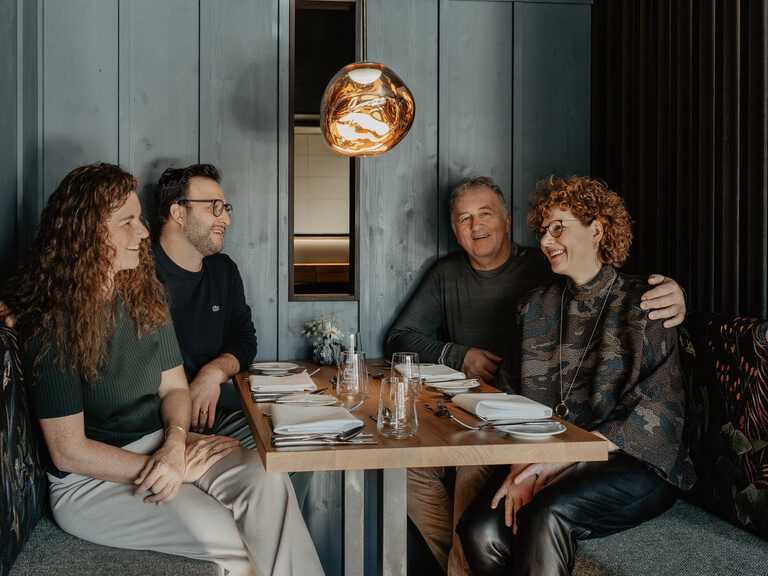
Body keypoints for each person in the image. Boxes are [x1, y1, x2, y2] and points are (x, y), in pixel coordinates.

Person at [1, 163, 323, 575]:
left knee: (267, 482)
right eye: (127, 222)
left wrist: (174, 444)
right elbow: (69, 451)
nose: (142, 231)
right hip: (92, 482)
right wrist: (167, 467)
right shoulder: (55, 323)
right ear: (88, 234)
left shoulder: (143, 294)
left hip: (162, 445)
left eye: (139, 218)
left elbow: (174, 389)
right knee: (240, 537)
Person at [393, 176, 689, 575]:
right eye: (544, 230)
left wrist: (552, 462)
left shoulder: (647, 303)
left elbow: (655, 417)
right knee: (480, 529)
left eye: (558, 228)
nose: (547, 240)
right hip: (549, 450)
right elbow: (509, 394)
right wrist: (522, 461)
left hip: (629, 459)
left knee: (544, 512)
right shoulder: (535, 306)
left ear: (597, 230)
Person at [152, 163, 312, 506]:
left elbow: (244, 340)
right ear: (178, 212)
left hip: (214, 410)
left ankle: (276, 532)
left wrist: (213, 373)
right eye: (214, 207)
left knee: (302, 442)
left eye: (225, 208)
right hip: (158, 424)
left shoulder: (223, 271)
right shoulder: (139, 272)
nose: (225, 218)